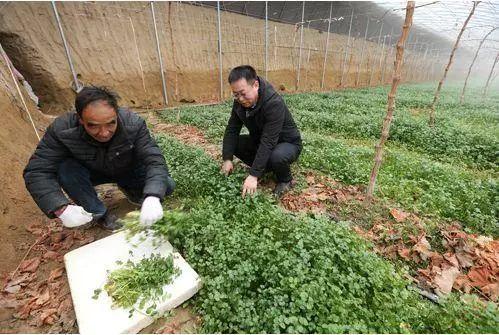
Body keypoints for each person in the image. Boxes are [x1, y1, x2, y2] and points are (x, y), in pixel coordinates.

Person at [23, 86, 175, 230]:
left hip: (127, 168)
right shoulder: (62, 130)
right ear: (80, 119)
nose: (104, 133)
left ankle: (132, 189)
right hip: (91, 172)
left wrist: (153, 195)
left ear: (117, 114)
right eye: (93, 126)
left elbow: (154, 158)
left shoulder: (133, 123)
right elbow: (37, 170)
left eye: (111, 124)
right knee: (65, 168)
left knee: (166, 185)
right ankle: (99, 214)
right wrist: (60, 208)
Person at [221, 65, 302, 197]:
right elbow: (232, 129)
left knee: (277, 156)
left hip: (287, 143)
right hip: (260, 139)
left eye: (243, 93)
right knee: (234, 143)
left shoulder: (273, 103)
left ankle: (285, 180)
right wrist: (227, 159)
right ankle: (264, 167)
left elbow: (269, 141)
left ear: (256, 85)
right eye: (236, 95)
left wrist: (253, 175)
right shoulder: (240, 102)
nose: (240, 98)